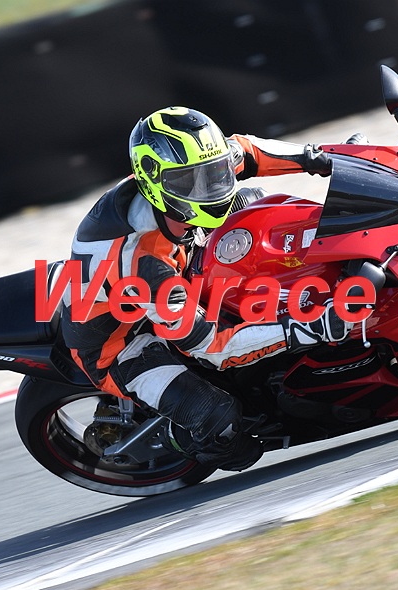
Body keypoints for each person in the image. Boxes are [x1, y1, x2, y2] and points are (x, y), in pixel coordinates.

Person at [61, 106, 352, 472]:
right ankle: (176, 439)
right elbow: (211, 346)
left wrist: (326, 157)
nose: (211, 189)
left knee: (257, 205)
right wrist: (311, 327)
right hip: (123, 343)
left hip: (177, 266)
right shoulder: (141, 261)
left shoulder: (188, 171)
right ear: (155, 181)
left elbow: (249, 151)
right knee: (224, 425)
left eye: (214, 174)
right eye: (192, 182)